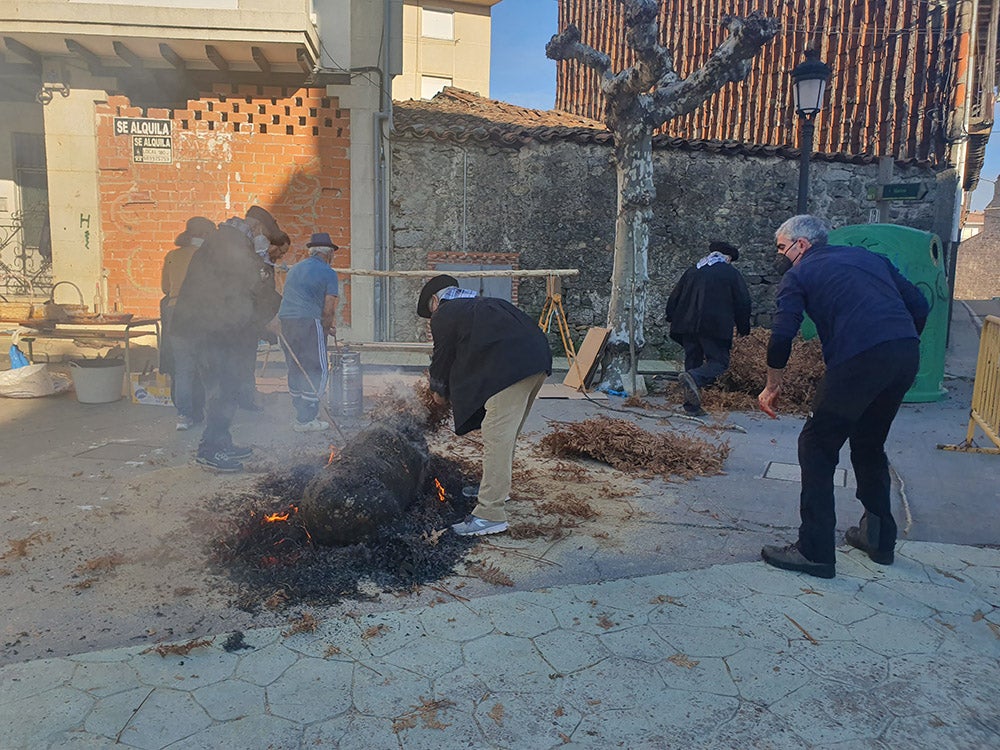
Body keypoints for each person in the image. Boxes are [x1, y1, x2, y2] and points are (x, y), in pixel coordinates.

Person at [758, 215, 929, 579]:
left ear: (801, 245)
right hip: (905, 353)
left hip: (860, 358)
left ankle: (814, 550)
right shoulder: (871, 259)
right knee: (868, 443)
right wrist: (895, 345)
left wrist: (772, 385)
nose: (779, 256)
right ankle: (879, 538)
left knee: (816, 445)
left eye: (781, 247)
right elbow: (919, 306)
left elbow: (781, 336)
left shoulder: (799, 274)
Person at [418, 274, 553, 536]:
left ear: (435, 300)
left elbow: (442, 358)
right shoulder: (486, 305)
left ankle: (490, 513)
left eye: (430, 312)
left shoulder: (445, 314)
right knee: (506, 436)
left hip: (512, 369)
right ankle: (495, 490)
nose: (431, 319)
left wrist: (438, 393)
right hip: (538, 360)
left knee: (496, 436)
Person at [170, 206, 285, 472]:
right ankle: (210, 451)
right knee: (221, 390)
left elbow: (250, 292)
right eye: (266, 236)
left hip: (219, 329)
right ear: (256, 229)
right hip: (209, 330)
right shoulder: (230, 246)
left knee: (228, 387)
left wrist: (268, 317)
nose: (266, 243)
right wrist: (266, 318)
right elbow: (245, 291)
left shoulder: (230, 242)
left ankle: (222, 442)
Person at [665, 240, 751, 415]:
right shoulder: (730, 274)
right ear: (727, 258)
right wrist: (744, 327)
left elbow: (675, 296)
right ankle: (695, 378)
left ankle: (691, 406)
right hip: (714, 325)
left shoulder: (693, 271)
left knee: (693, 360)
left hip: (687, 324)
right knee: (719, 362)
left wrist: (671, 317)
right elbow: (743, 302)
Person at [277, 232, 340, 431]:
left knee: (295, 366)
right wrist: (326, 326)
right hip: (308, 322)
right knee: (317, 368)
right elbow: (328, 307)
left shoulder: (296, 269)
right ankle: (307, 418)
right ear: (328, 254)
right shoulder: (328, 272)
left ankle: (299, 411)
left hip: (286, 321)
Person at [161, 216, 214, 431]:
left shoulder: (172, 256)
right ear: (202, 235)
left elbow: (165, 287)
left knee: (183, 368)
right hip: (200, 311)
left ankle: (183, 416)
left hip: (174, 311)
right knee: (207, 365)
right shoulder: (207, 256)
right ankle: (212, 412)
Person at [235, 208, 290, 412]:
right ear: (271, 244)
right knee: (242, 359)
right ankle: (243, 399)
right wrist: (273, 315)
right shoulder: (257, 260)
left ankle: (246, 396)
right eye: (280, 251)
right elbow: (261, 293)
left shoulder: (266, 262)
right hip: (245, 319)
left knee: (248, 359)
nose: (280, 256)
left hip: (253, 319)